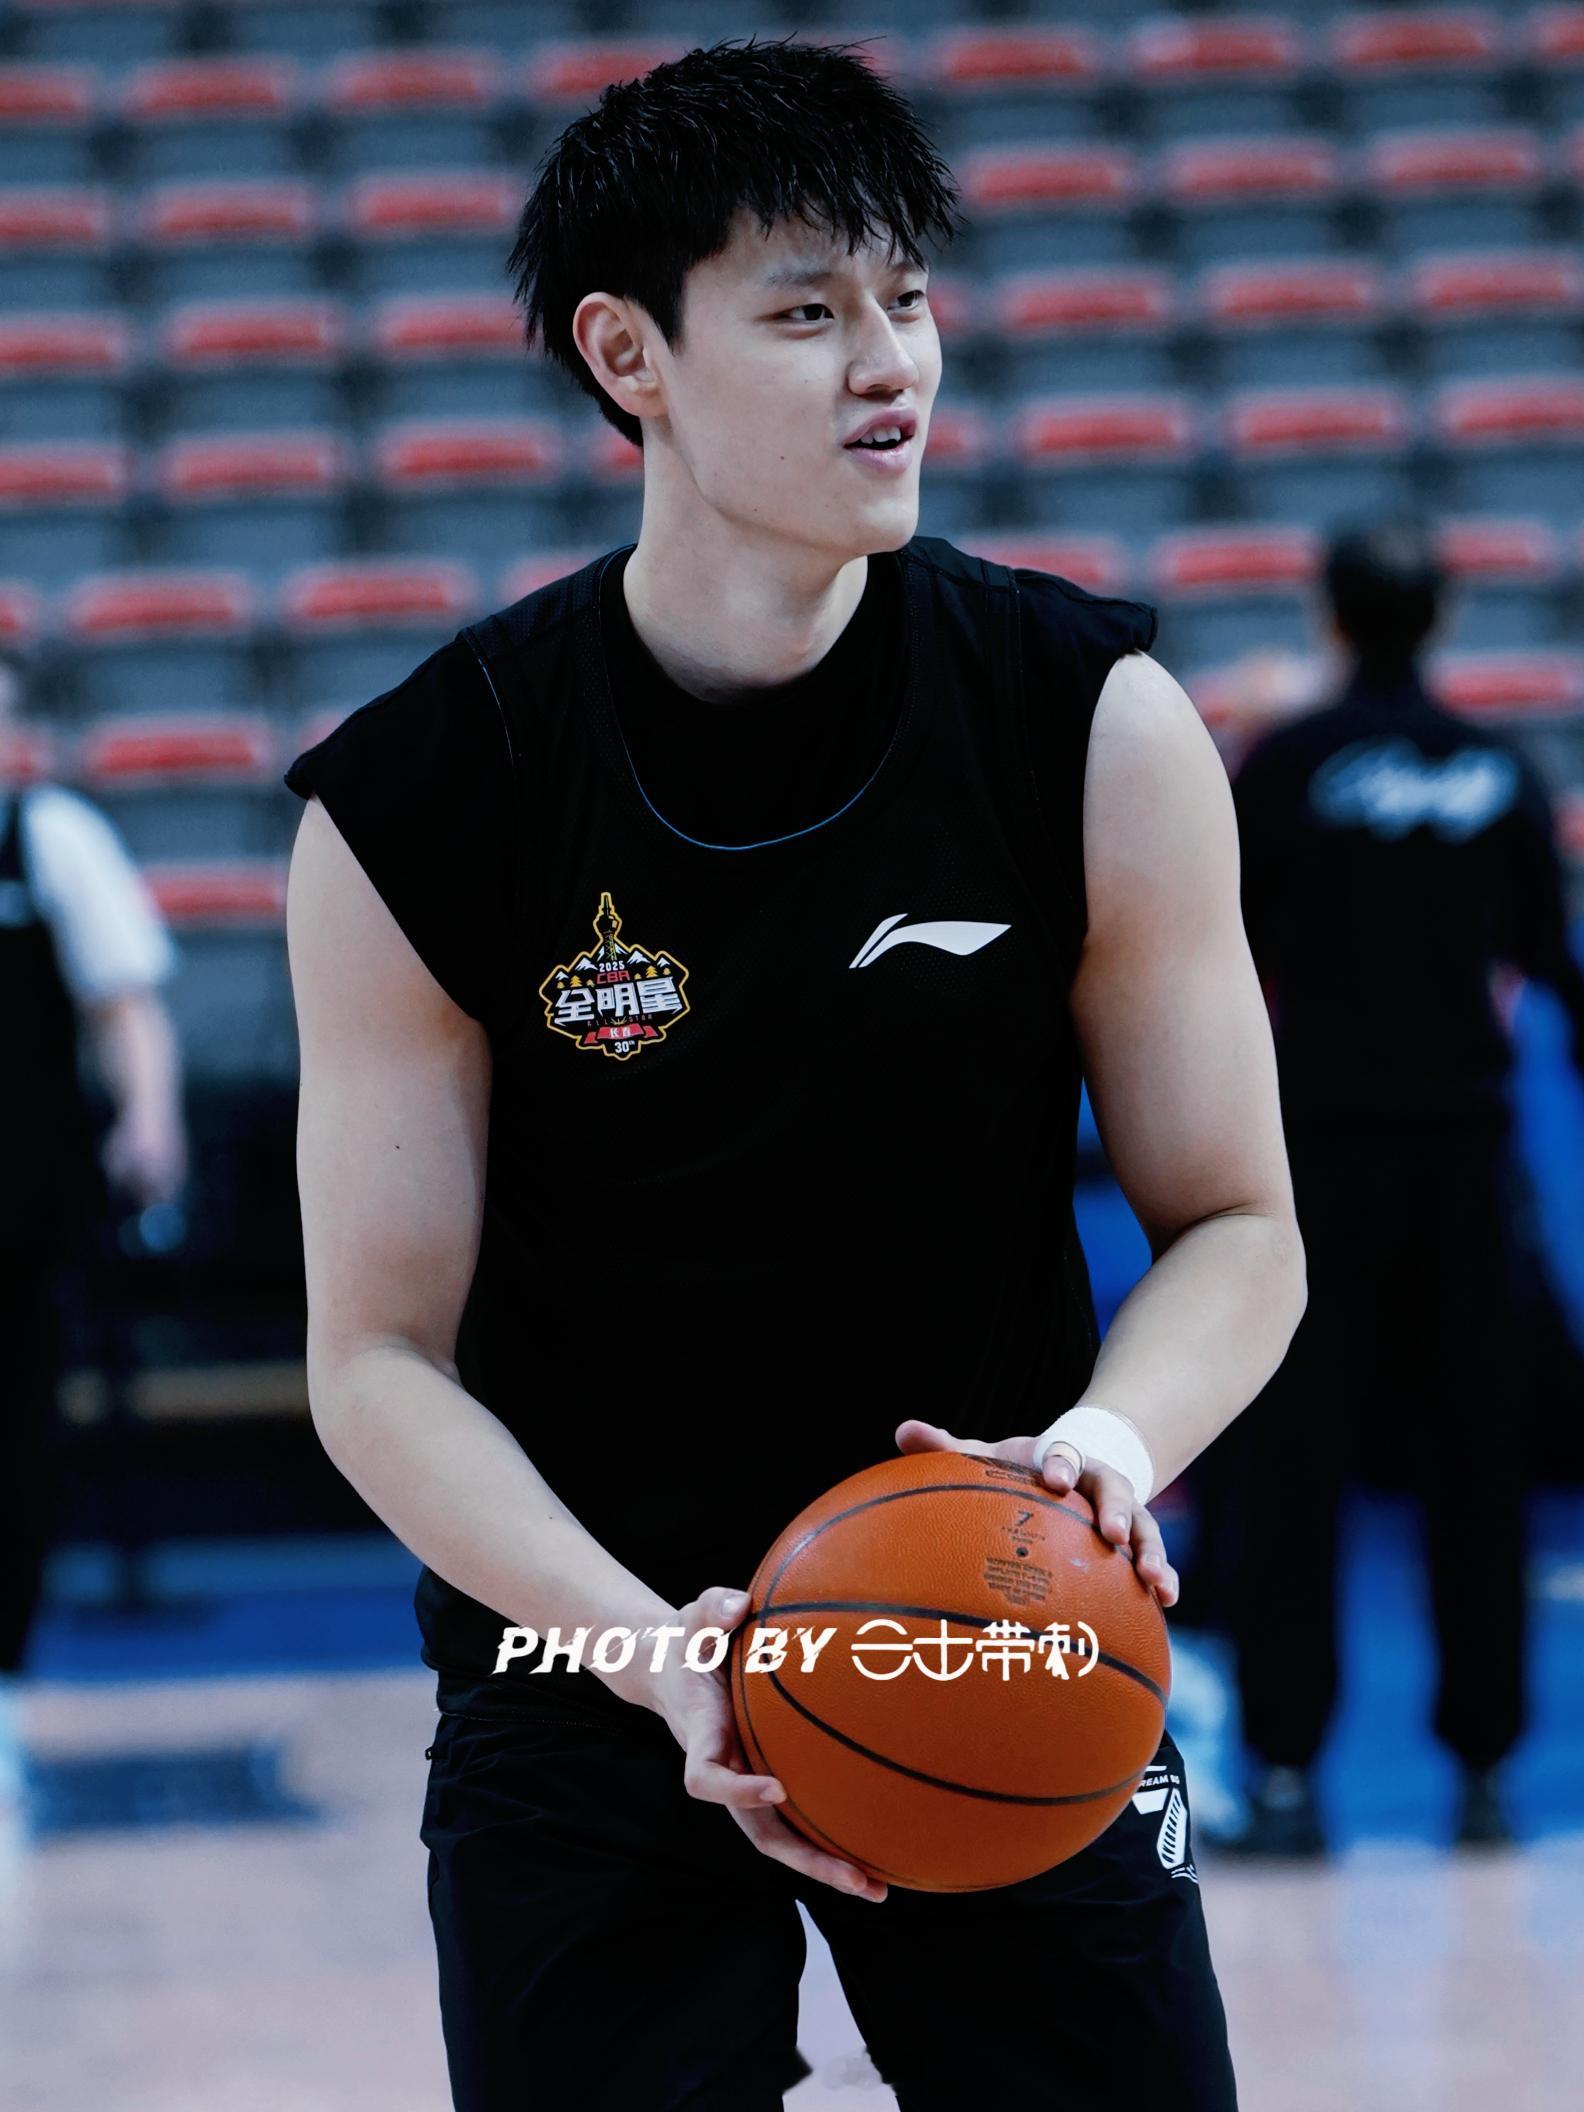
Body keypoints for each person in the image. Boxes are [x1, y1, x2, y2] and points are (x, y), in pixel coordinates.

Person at [282, 41, 1305, 2111]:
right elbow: (376, 1357)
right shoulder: (426, 794)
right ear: (627, 356)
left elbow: (1237, 1223)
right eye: (806, 311)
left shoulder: (1087, 723)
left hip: (988, 1618)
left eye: (906, 299)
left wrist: (1100, 1446)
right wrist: (655, 1653)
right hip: (580, 1648)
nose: (889, 363)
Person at [1218, 518, 1584, 1858]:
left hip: (1313, 1168)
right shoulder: (1497, 767)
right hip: (1466, 1168)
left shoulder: (1287, 763)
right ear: (1444, 618)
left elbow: (1212, 950)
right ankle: (1484, 1779)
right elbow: (1557, 968)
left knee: (1291, 1471)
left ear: (1328, 617)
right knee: (1476, 1470)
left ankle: (1284, 1779)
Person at [0, 649, 187, 1828]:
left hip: (18, 1203)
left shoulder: (49, 838)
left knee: (14, 1443)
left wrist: (151, 1120)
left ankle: (5, 1693)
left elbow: (127, 1005)